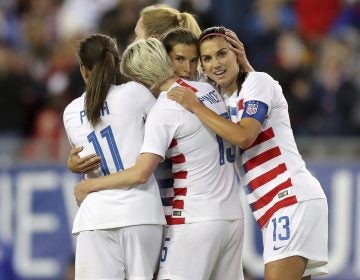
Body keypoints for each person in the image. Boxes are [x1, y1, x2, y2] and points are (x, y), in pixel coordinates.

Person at [74, 38, 245, 280]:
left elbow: (140, 172)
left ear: (141, 80)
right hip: (232, 217)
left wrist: (90, 185)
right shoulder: (207, 91)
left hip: (194, 218)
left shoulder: (165, 110)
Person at [168, 26, 328, 280]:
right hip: (274, 206)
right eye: (207, 59)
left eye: (222, 54)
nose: (215, 64)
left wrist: (195, 106)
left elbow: (244, 136)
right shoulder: (223, 97)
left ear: (236, 53)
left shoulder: (258, 82)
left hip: (289, 198)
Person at [66, 4, 254, 173]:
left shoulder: (170, 93)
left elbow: (134, 164)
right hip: (206, 194)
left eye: (137, 35)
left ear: (152, 40)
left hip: (186, 198)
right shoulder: (198, 85)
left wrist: (91, 183)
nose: (132, 42)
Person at [62, 34, 166, 279]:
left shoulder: (70, 112)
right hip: (141, 212)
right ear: (116, 63)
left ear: (83, 71)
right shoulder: (136, 94)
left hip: (95, 217)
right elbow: (166, 130)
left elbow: (81, 157)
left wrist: (71, 163)